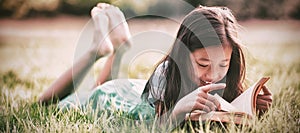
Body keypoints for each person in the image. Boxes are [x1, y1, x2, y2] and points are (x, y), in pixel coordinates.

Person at [39, 3, 272, 126]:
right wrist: (178, 111)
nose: (213, 75)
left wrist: (252, 105)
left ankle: (119, 48)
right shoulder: (166, 73)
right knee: (45, 104)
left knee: (103, 83)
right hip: (112, 100)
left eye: (223, 64)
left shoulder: (225, 74)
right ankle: (96, 51)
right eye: (202, 64)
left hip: (133, 90)